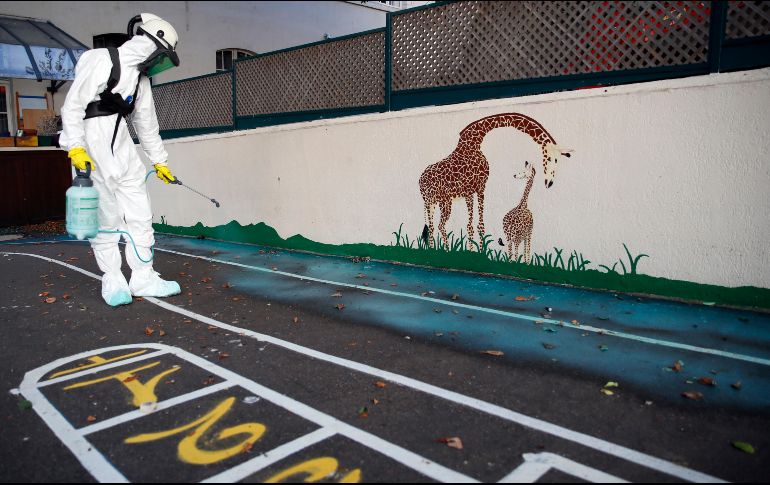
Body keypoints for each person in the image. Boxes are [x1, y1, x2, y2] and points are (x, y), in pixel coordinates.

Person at [60, 13, 181, 307]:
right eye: (161, 57)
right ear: (151, 44)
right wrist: (75, 148)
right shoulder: (101, 59)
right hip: (92, 149)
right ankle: (113, 279)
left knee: (140, 214)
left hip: (123, 150)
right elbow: (73, 105)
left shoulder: (141, 82)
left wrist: (159, 162)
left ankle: (143, 276)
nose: (158, 64)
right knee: (106, 218)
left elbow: (147, 124)